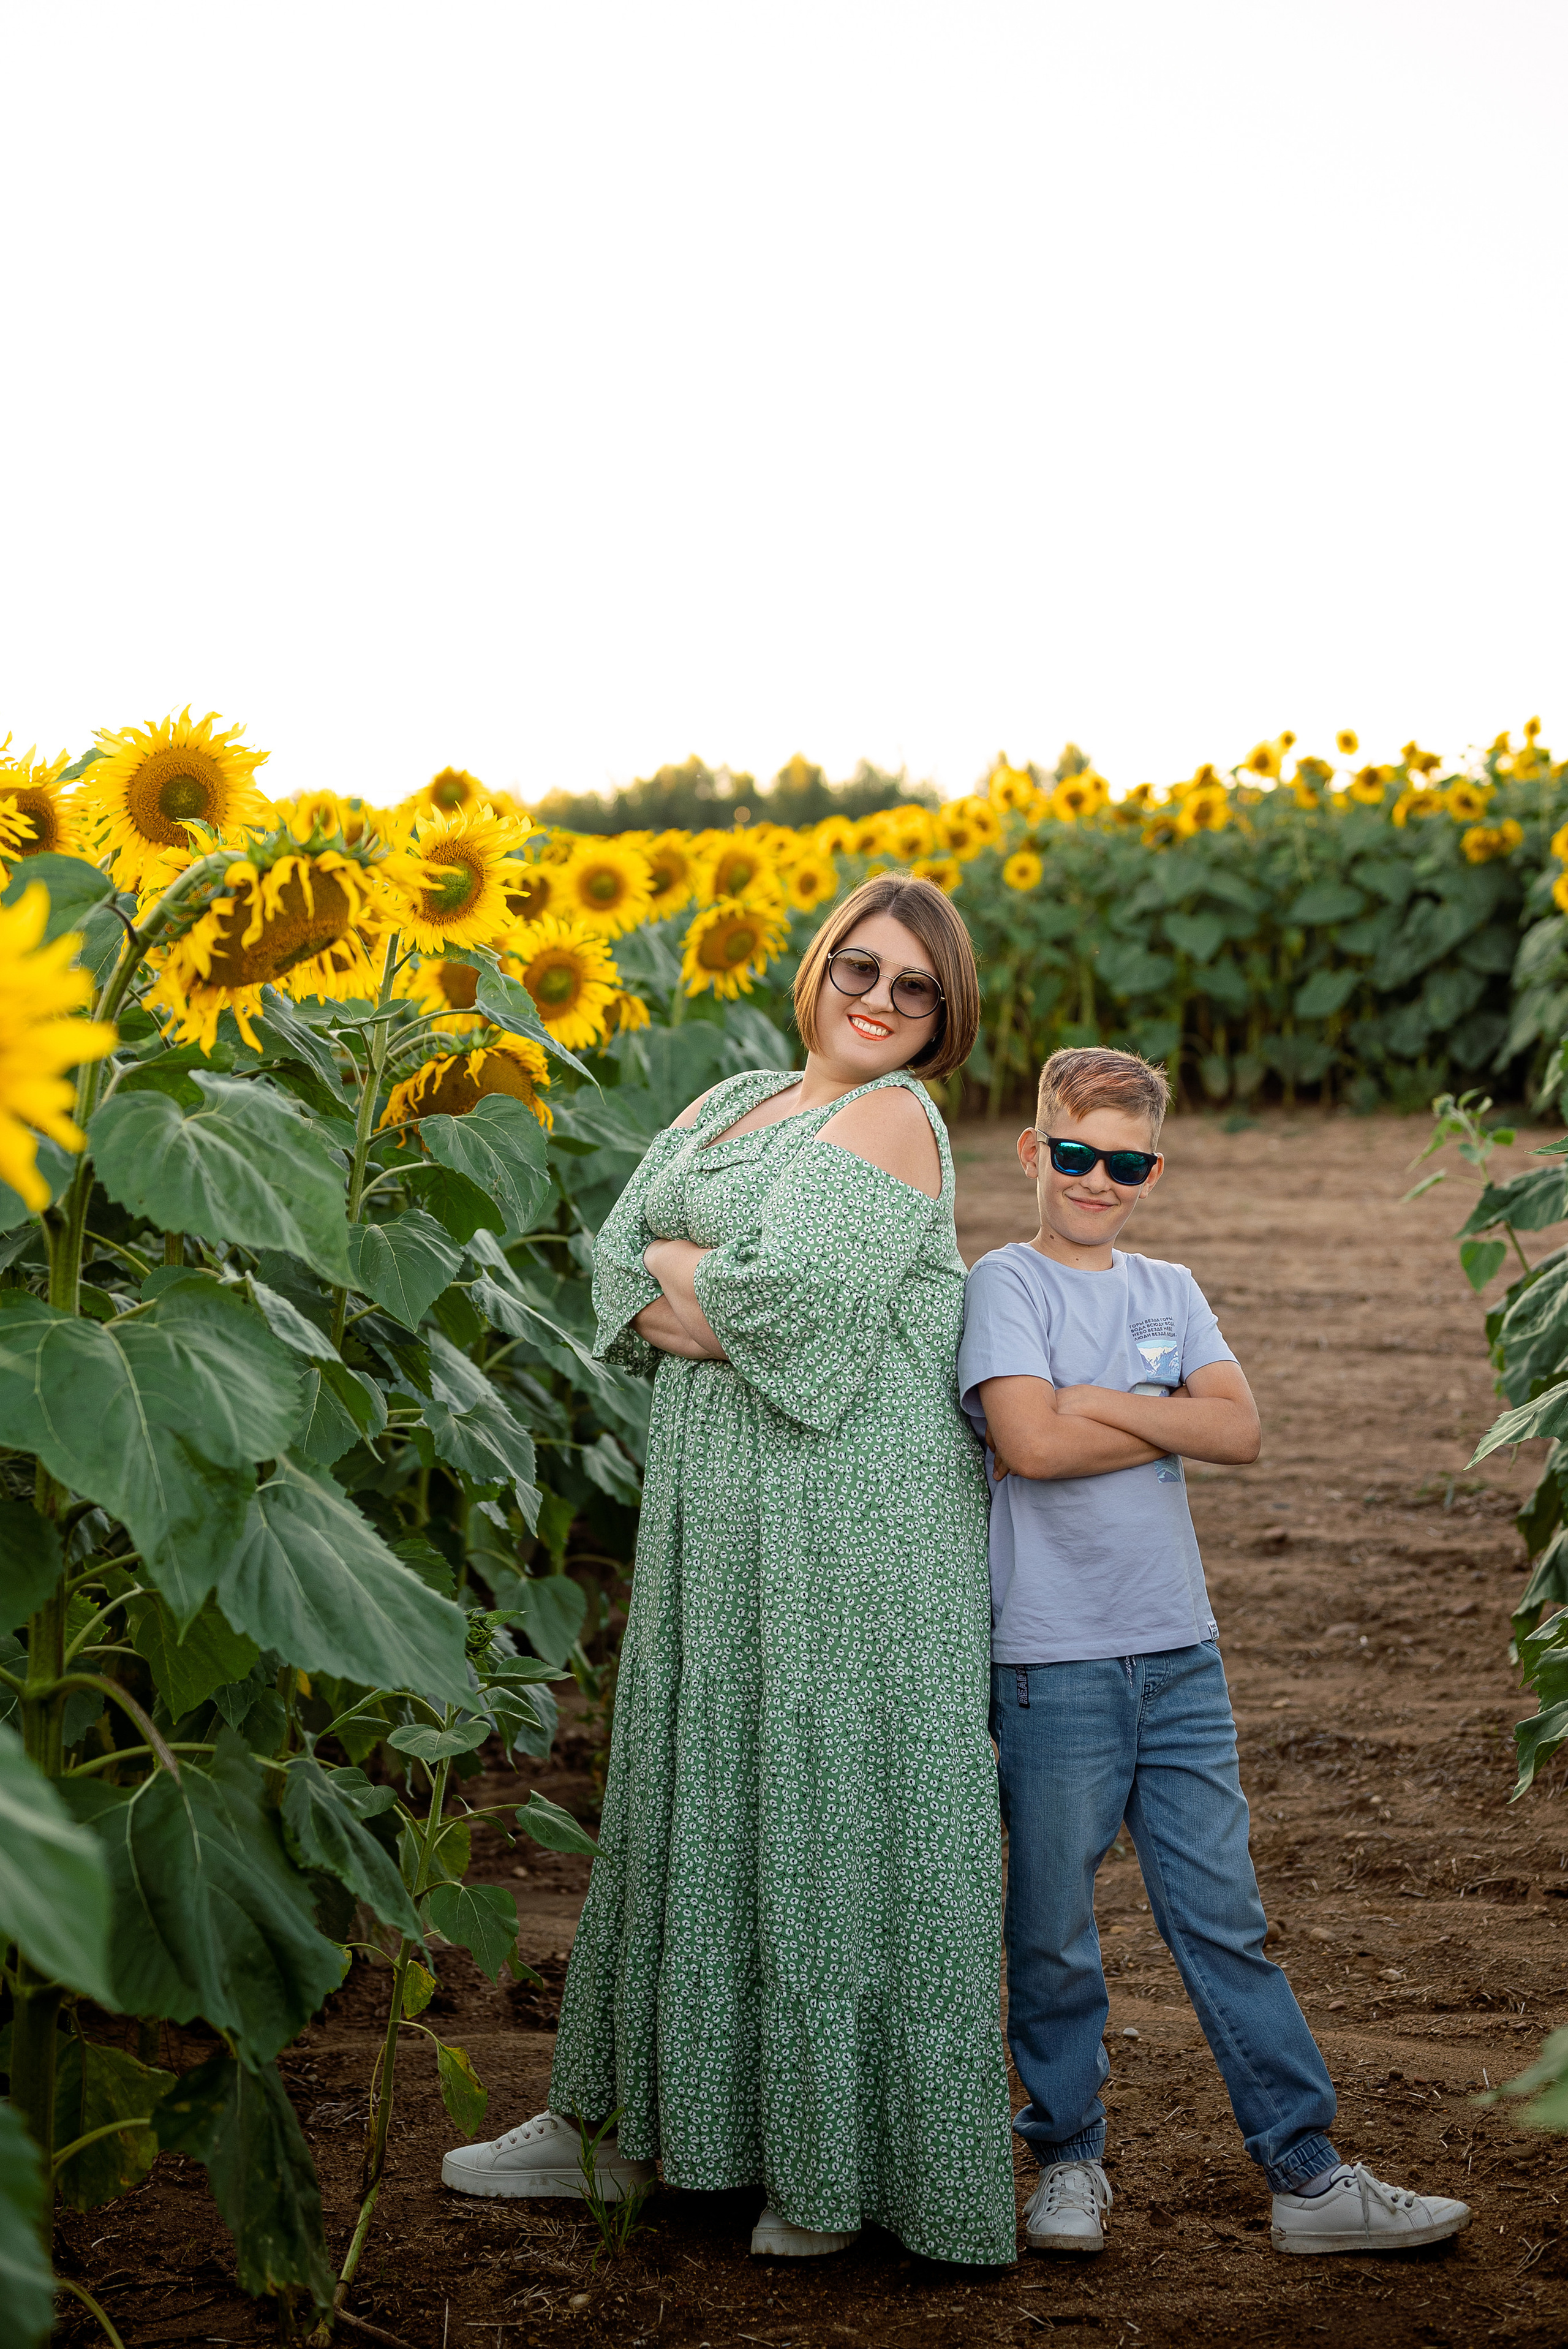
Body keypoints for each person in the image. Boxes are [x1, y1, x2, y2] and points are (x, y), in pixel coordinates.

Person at [442, 872, 1016, 2266]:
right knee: (696, 1790)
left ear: (942, 1017)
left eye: (915, 987)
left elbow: (776, 1313)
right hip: (720, 1506)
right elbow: (611, 1263)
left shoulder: (893, 1118)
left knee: (827, 1802)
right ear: (818, 967)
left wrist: (683, 1269)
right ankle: (624, 2121)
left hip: (851, 1517)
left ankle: (826, 2166)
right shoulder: (729, 1099)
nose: (880, 1000)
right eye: (860, 967)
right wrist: (685, 1276)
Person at [957, 1043, 1472, 2259]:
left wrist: (1096, 1402)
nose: (1097, 1179)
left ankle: (1305, 2174)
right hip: (1052, 1664)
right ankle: (1067, 2159)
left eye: (1125, 1164)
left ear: (1154, 1172)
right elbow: (1029, 1445)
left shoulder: (1169, 1287)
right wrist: (1163, 1420)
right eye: (1074, 1153)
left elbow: (1238, 1430)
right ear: (1033, 1151)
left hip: (1181, 1655)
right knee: (1051, 1931)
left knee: (1224, 1920)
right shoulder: (1005, 1284)